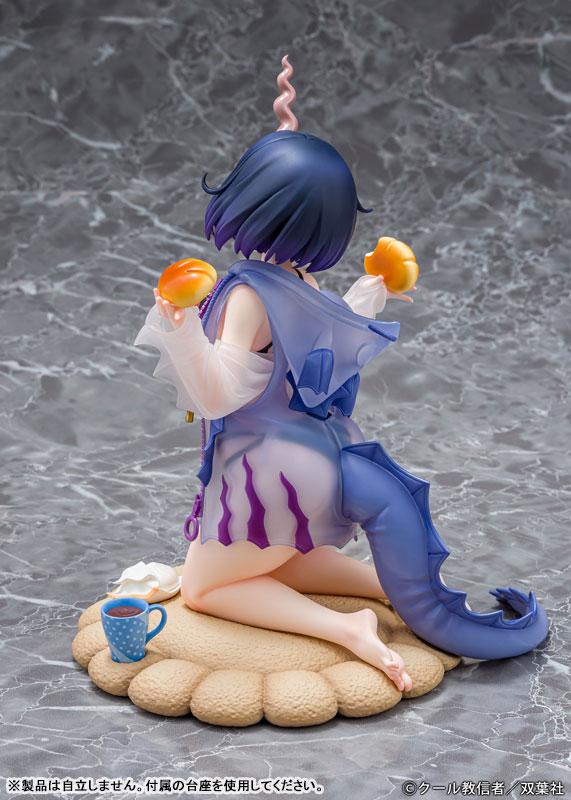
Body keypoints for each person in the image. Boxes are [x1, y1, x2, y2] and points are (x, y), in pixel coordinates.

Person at [134, 57, 549, 697]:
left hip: (269, 471)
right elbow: (336, 337)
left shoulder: (247, 294)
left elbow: (216, 393)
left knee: (203, 587)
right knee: (282, 560)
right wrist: (374, 287)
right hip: (317, 458)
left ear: (252, 203)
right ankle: (387, 585)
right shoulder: (300, 280)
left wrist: (180, 325)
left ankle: (349, 628)